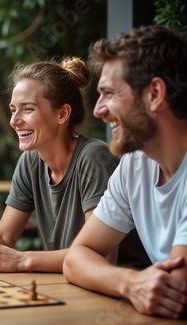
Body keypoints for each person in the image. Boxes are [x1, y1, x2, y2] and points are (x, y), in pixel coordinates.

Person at [0, 56, 150, 273]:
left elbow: (99, 257)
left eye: (28, 109)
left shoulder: (94, 158)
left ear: (62, 114)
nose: (14, 121)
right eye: (13, 109)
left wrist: (23, 260)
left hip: (120, 288)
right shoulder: (31, 160)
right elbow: (5, 236)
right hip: (69, 282)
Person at [63, 25, 187, 319]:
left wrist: (132, 283)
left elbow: (175, 289)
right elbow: (75, 258)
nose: (97, 110)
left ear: (155, 93)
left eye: (109, 93)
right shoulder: (135, 164)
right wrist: (130, 282)